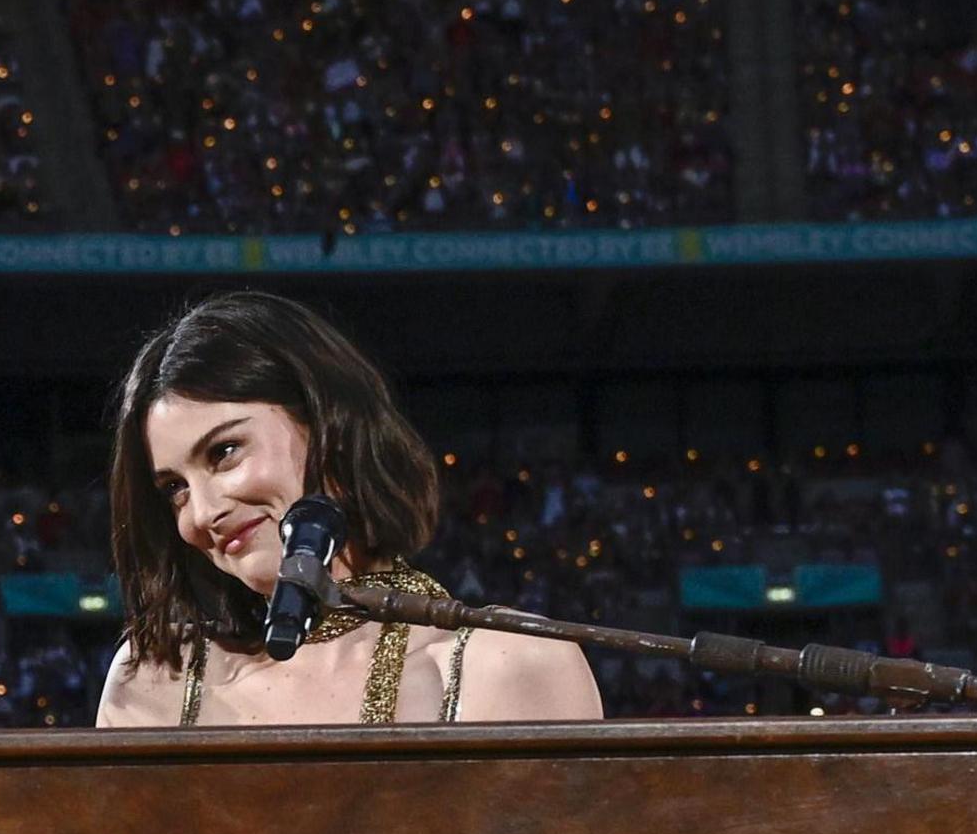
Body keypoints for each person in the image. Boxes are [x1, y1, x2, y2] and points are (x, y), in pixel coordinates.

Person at [90, 291, 601, 728]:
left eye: (224, 452)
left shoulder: (512, 667)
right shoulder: (155, 683)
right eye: (175, 487)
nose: (201, 514)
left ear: (330, 427)